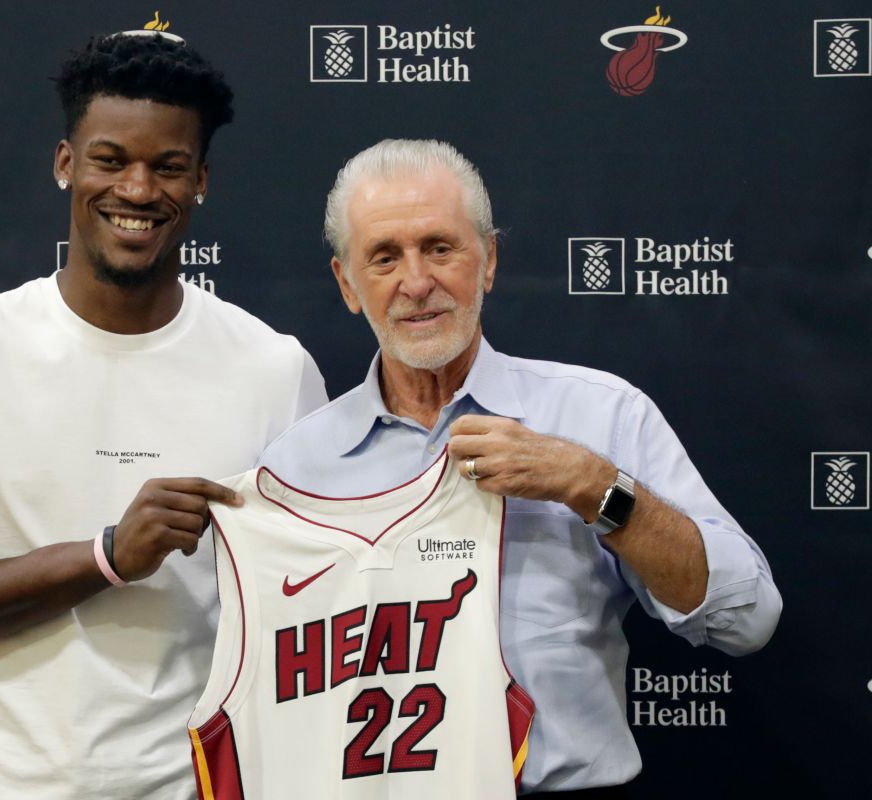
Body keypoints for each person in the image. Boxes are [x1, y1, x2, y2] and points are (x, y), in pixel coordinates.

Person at [0, 32, 326, 799]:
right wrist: (107, 556)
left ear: (201, 180)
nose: (137, 190)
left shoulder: (276, 371)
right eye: (110, 160)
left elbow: (317, 604)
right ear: (65, 163)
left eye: (168, 166)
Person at [257, 139, 781, 797]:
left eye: (440, 248)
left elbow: (746, 619)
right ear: (347, 285)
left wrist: (594, 486)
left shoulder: (601, 416)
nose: (415, 282)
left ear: (489, 260)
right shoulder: (295, 467)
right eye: (384, 257)